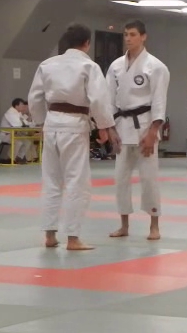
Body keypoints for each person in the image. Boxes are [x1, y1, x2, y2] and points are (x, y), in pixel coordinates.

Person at [28, 23, 120, 251]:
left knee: (51, 181)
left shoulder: (47, 64)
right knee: (76, 182)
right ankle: (73, 237)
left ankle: (50, 235)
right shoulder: (89, 66)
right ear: (87, 43)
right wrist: (104, 126)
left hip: (51, 123)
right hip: (75, 124)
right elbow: (98, 100)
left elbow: (35, 97)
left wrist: (41, 121)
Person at [106, 20, 170, 241]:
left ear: (143, 36)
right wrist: (110, 129)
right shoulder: (115, 66)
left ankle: (154, 225)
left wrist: (153, 132)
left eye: (133, 34)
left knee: (149, 179)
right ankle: (124, 224)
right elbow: (109, 100)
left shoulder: (156, 67)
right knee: (120, 179)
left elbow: (159, 102)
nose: (128, 38)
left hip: (144, 127)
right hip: (122, 128)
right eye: (125, 34)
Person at [0, 98, 34, 164]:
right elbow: (17, 125)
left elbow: (26, 123)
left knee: (27, 142)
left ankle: (18, 158)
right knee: (18, 142)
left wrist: (30, 123)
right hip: (5, 135)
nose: (23, 106)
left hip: (14, 134)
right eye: (22, 105)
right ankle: (10, 159)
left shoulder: (18, 113)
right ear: (16, 106)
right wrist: (26, 124)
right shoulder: (10, 113)